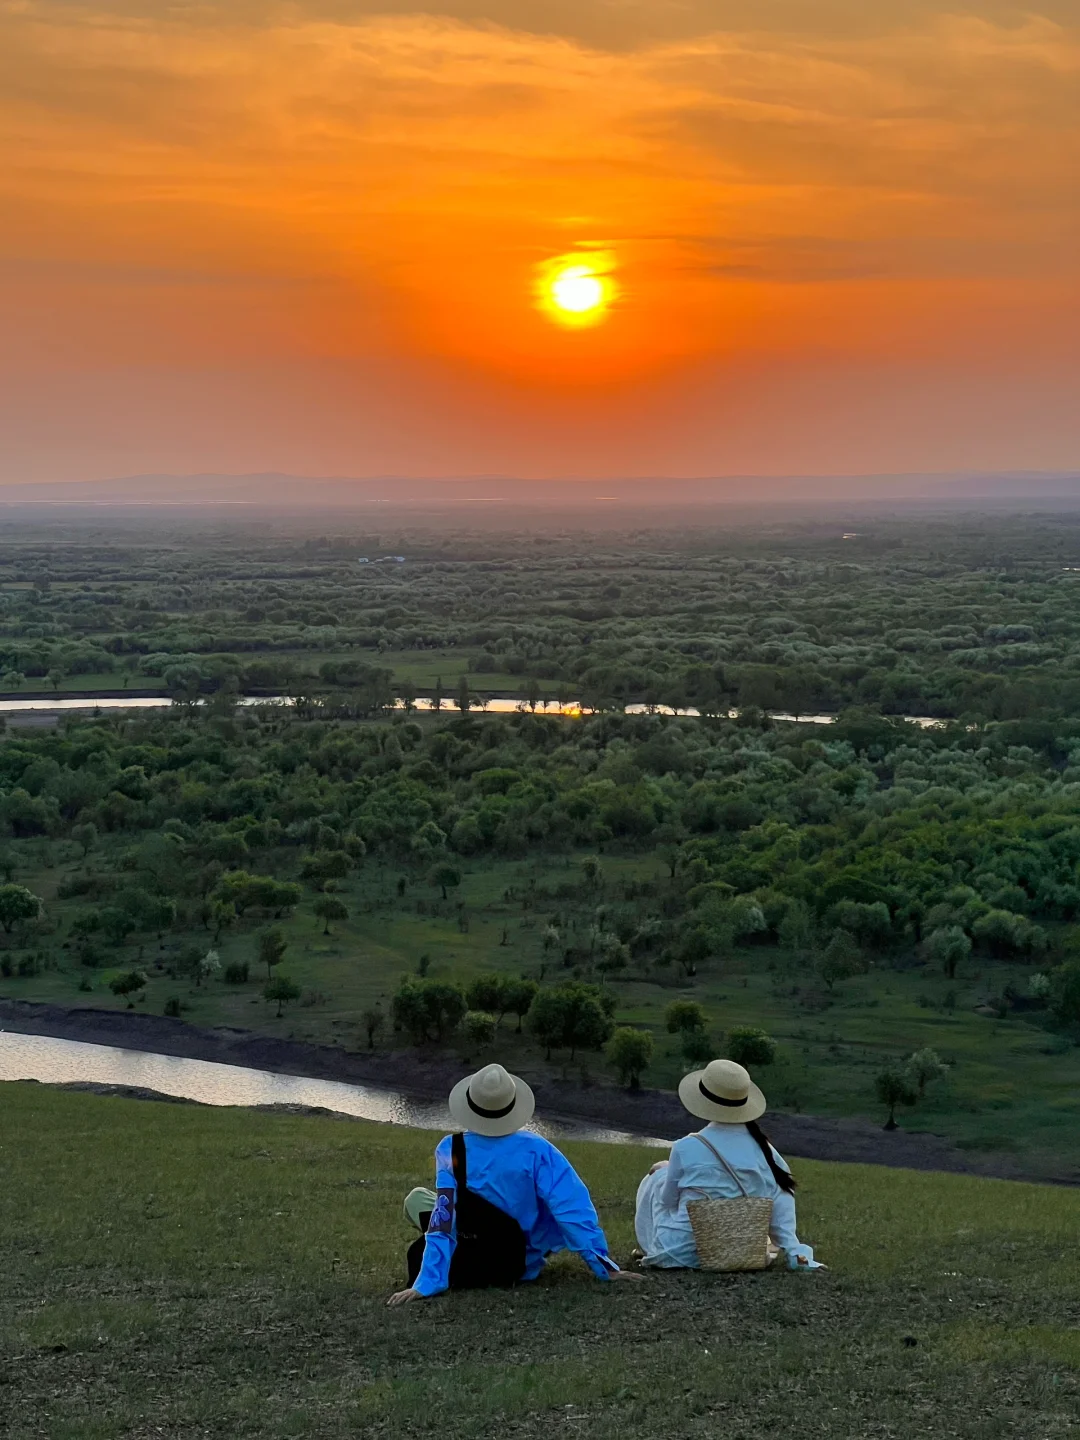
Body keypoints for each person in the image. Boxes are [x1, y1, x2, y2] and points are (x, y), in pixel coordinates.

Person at [388, 1063, 643, 1304]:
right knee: (423, 1200)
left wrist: (428, 1281)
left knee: (418, 1200)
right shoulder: (537, 1149)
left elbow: (443, 1219)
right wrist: (603, 1266)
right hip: (519, 1261)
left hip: (475, 1244)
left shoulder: (450, 1149)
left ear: (470, 1105)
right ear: (512, 1106)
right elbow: (570, 1208)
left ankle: (452, 1259)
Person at [634, 1058, 824, 1271]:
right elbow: (783, 1196)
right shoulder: (765, 1151)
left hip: (679, 1253)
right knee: (778, 1186)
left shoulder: (685, 1147)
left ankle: (648, 1246)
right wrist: (792, 1246)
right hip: (738, 1251)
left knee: (654, 1177)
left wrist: (662, 1172)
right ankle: (795, 1253)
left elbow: (667, 1201)